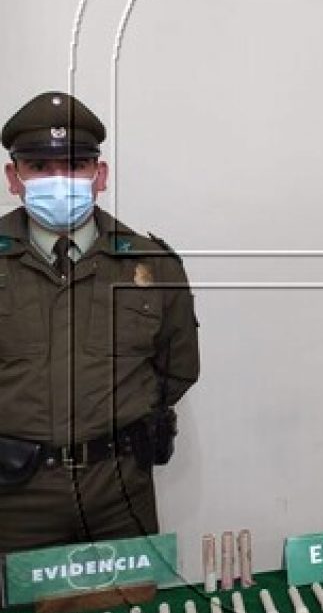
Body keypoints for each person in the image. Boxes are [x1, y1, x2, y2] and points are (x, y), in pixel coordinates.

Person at [0, 91, 200, 554]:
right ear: (15, 178)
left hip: (120, 490)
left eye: (74, 165)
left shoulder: (151, 265)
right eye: (39, 168)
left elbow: (177, 370)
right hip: (15, 496)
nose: (58, 180)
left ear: (99, 175)